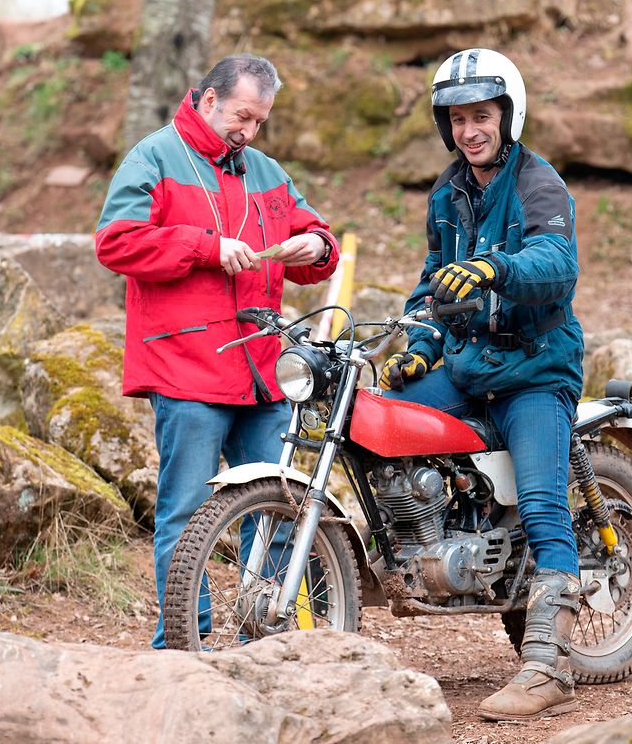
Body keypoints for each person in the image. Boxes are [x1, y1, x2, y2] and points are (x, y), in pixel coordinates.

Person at [95, 53, 340, 650]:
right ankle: (184, 645)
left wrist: (316, 247)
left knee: (281, 507)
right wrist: (206, 248)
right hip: (185, 370)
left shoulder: (266, 171)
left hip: (261, 372)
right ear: (208, 100)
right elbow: (116, 243)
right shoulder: (153, 157)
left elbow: (319, 239)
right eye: (242, 117)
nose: (250, 131)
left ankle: (268, 641)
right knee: (185, 515)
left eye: (259, 122)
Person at [380, 48, 584, 721]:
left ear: (507, 116)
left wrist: (495, 268)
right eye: (459, 119)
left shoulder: (538, 183)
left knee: (543, 501)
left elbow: (556, 262)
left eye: (482, 117)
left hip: (535, 370)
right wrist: (419, 347)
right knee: (384, 419)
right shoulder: (447, 194)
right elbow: (432, 284)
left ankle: (549, 667)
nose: (470, 131)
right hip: (469, 368)